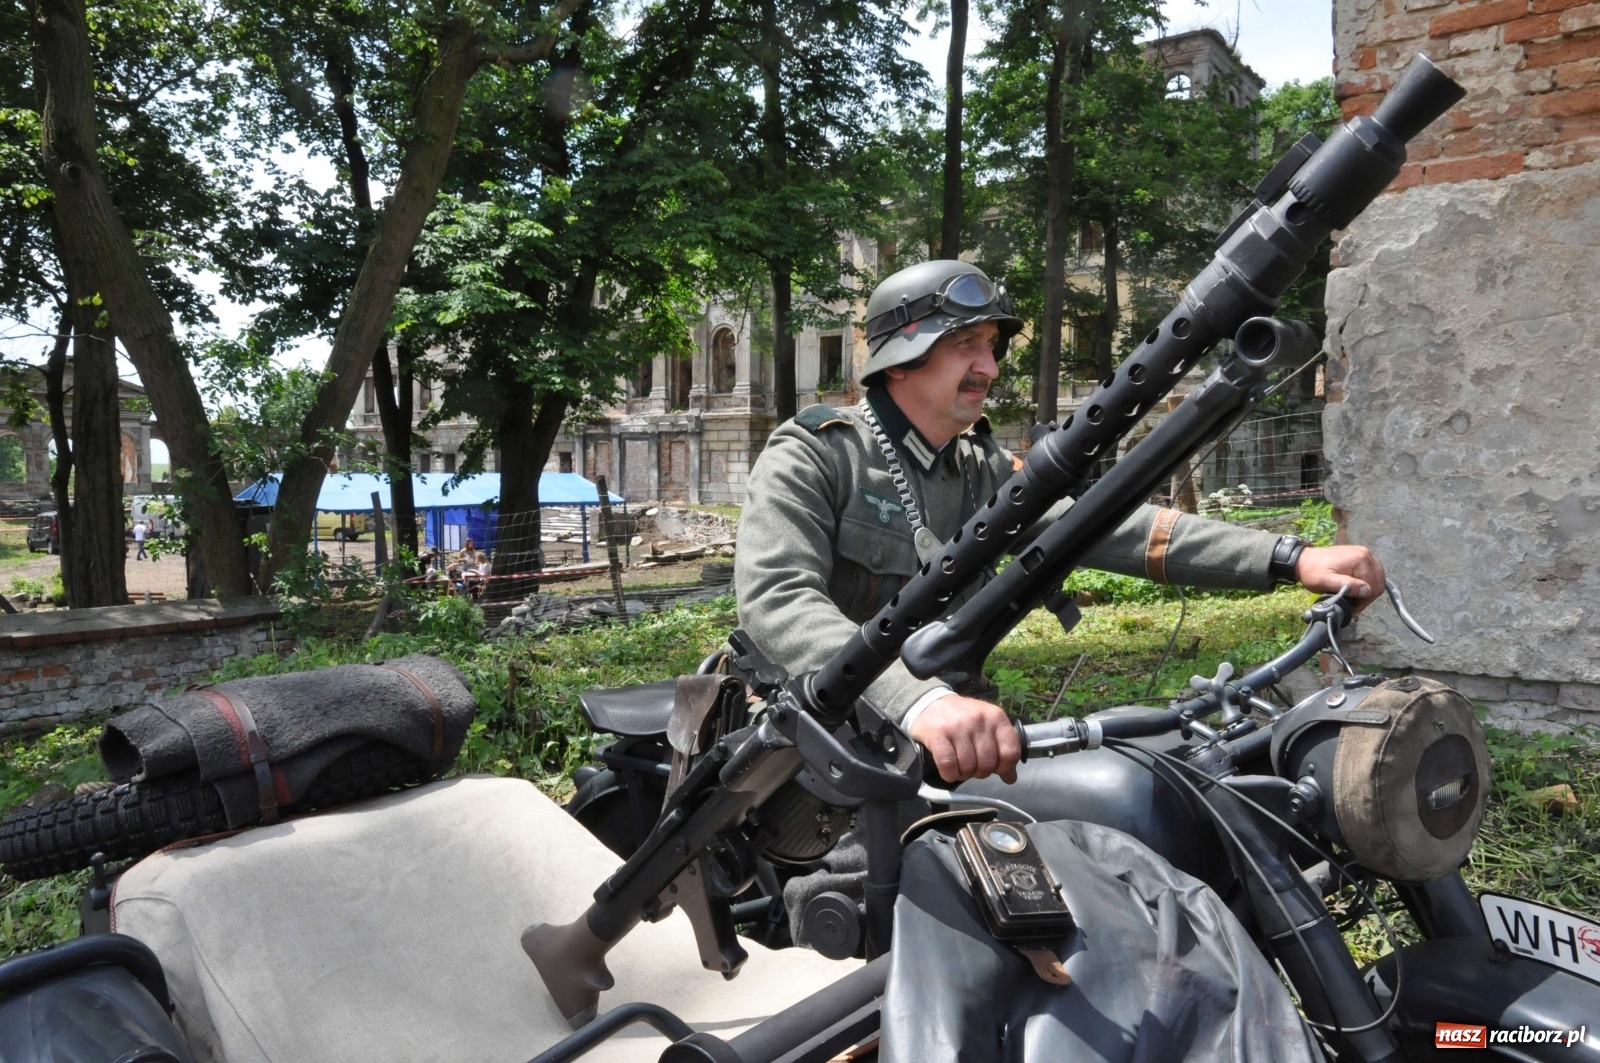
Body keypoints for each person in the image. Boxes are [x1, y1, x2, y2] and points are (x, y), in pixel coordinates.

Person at [735, 260, 1386, 786]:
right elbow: (777, 599)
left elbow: (1103, 525)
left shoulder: (976, 469)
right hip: (807, 756)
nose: (988, 368)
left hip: (946, 743)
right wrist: (918, 700)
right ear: (902, 359)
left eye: (989, 348)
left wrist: (1287, 556)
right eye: (966, 346)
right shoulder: (818, 452)